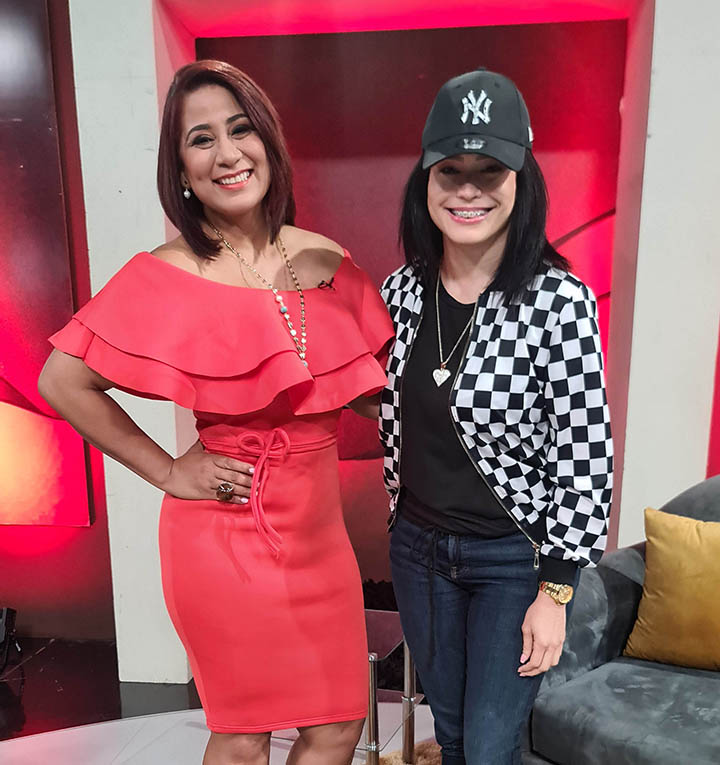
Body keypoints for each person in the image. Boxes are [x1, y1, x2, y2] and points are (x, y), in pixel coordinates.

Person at [38, 60, 393, 765]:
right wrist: (169, 471)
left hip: (321, 539)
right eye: (201, 140)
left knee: (338, 727)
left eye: (240, 129)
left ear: (268, 141)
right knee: (243, 737)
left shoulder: (327, 258)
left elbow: (362, 388)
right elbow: (63, 380)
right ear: (180, 171)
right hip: (223, 537)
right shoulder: (163, 274)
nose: (227, 153)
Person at [378, 69, 613, 765]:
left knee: (488, 748)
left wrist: (557, 591)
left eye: (490, 171)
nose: (469, 190)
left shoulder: (558, 300)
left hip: (513, 559)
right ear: (426, 179)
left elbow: (586, 455)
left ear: (522, 179)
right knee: (452, 737)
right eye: (451, 170)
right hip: (418, 549)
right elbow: (389, 404)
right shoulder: (402, 291)